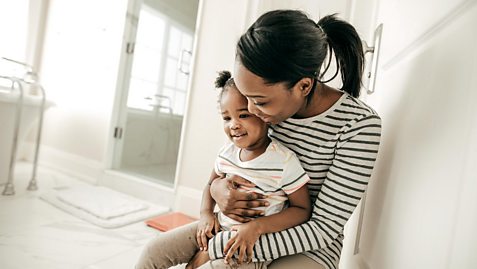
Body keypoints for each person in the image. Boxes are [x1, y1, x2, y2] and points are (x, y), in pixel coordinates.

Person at [196, 10, 382, 269]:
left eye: (259, 101)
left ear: (304, 86)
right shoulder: (269, 108)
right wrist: (217, 190)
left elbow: (322, 229)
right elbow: (228, 165)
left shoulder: (358, 126)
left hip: (308, 246)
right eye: (246, 96)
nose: (249, 110)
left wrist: (216, 247)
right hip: (236, 229)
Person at [136, 71, 312, 269]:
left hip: (250, 246)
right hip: (217, 227)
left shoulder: (283, 161)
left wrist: (256, 227)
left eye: (243, 115)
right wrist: (206, 215)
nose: (234, 125)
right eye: (226, 118)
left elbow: (302, 210)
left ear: (263, 114)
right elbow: (211, 184)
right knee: (153, 250)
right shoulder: (226, 153)